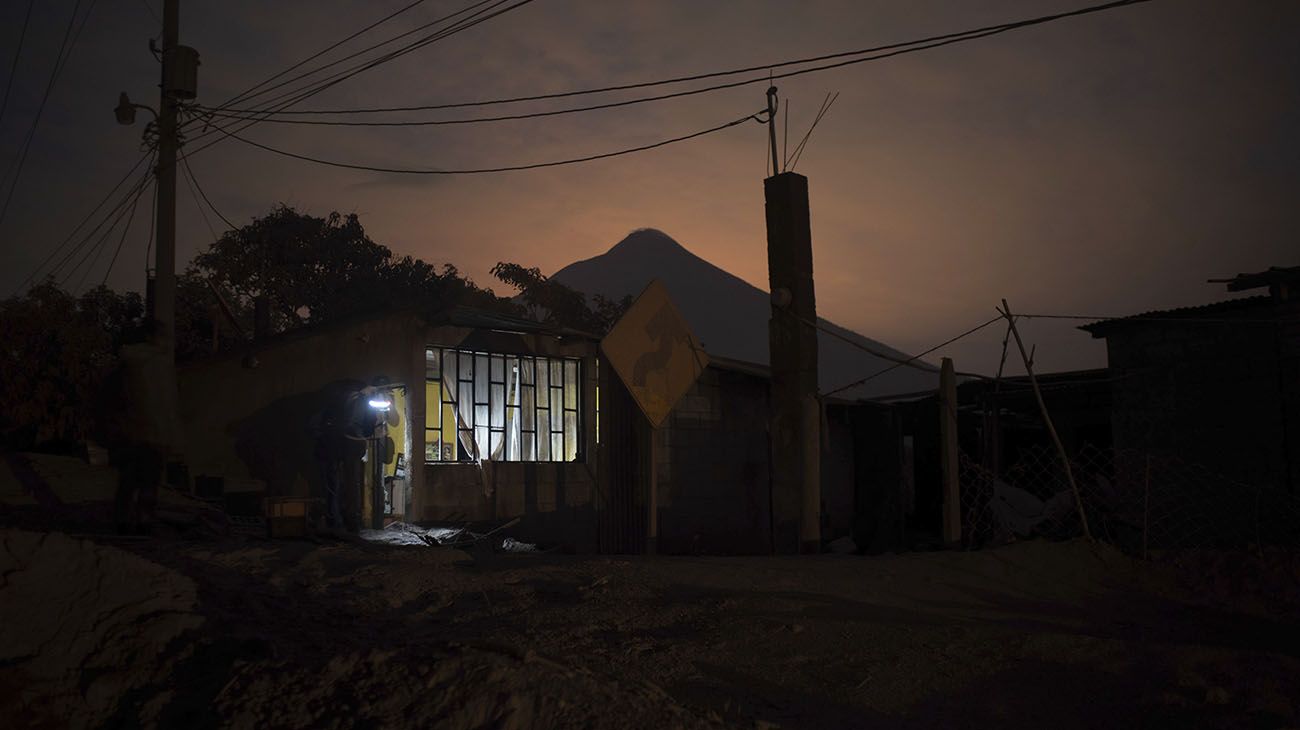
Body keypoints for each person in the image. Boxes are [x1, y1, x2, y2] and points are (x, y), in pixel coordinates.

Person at [94, 342, 174, 535]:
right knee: (142, 484)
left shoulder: (119, 379)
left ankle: (129, 521)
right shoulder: (145, 379)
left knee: (131, 483)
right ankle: (138, 522)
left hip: (135, 438)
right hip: (141, 438)